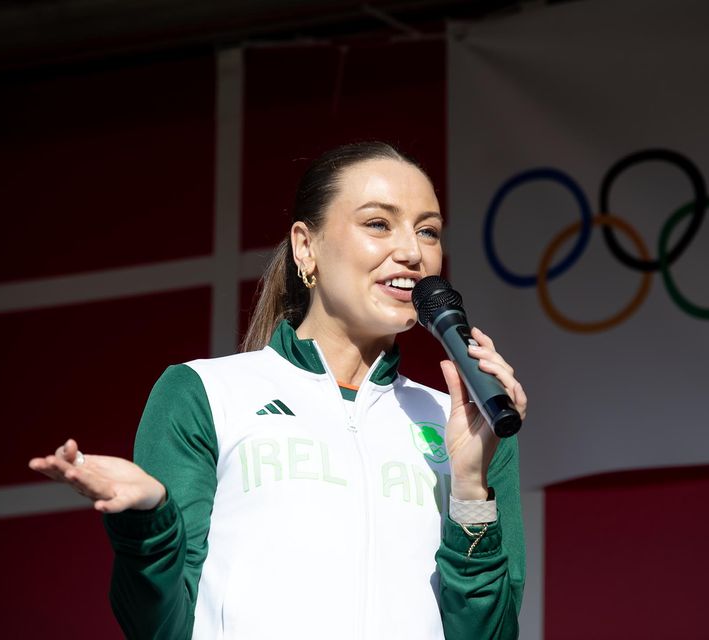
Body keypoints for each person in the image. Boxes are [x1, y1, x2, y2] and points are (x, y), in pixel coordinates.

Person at [29, 142, 527, 639]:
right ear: (306, 246)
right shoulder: (205, 392)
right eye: (379, 223)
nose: (413, 252)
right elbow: (158, 628)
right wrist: (149, 525)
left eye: (428, 231)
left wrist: (467, 489)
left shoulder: (471, 422)